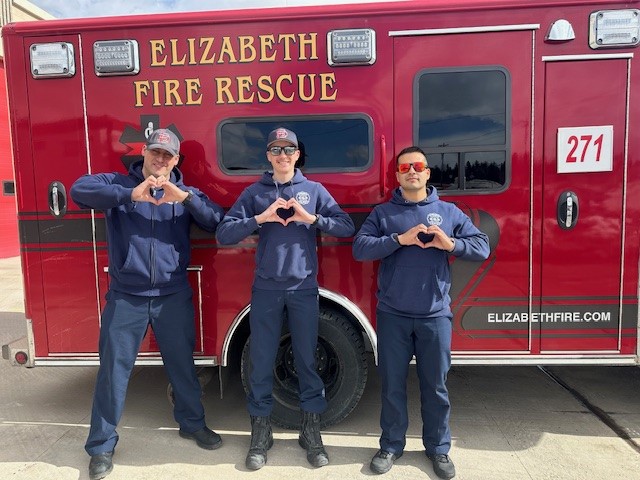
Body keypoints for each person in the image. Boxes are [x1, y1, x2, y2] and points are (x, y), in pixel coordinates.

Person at [70, 128, 225, 480]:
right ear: (144, 152)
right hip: (127, 297)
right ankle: (101, 447)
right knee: (113, 372)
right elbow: (79, 190)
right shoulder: (117, 182)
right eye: (156, 152)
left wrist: (183, 198)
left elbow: (216, 221)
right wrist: (128, 194)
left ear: (176, 160)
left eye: (168, 155)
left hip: (172, 295)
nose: (161, 159)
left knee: (183, 367)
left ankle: (192, 424)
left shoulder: (184, 192)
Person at [216, 127, 355, 470]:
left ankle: (311, 432)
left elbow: (347, 226)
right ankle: (261, 434)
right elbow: (223, 232)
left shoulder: (314, 190)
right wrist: (258, 218)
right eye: (276, 150)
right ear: (268, 156)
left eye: (288, 149)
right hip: (266, 288)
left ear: (297, 155)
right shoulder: (254, 192)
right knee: (261, 362)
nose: (282, 155)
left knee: (307, 360)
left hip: (303, 287)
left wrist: (313, 218)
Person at [352, 146, 489, 480]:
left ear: (428, 173)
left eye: (418, 166)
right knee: (392, 386)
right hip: (393, 315)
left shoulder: (449, 212)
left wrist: (451, 244)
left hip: (434, 316)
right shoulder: (383, 214)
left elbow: (482, 247)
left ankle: (438, 450)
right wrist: (399, 238)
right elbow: (360, 248)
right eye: (404, 167)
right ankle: (391, 446)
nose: (411, 171)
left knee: (436, 387)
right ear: (397, 175)